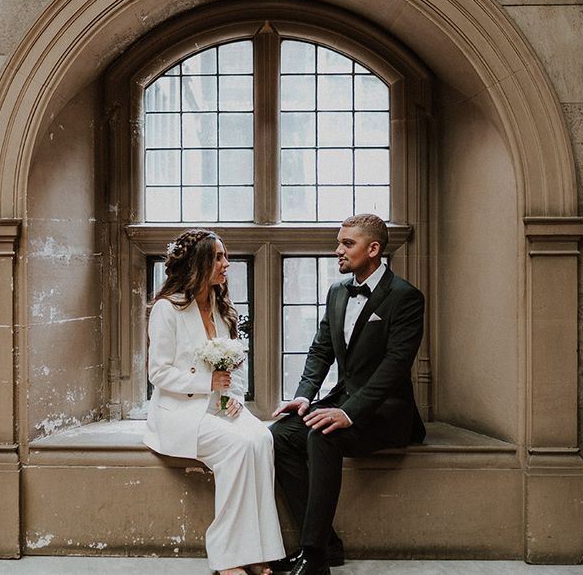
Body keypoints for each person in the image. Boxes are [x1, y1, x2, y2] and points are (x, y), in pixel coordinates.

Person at [269, 214, 426, 575]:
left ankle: (313, 556)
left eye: (347, 244)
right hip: (343, 400)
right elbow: (321, 349)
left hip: (387, 412)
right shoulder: (337, 291)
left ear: (373, 249)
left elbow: (394, 367)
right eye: (339, 242)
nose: (338, 250)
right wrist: (305, 395)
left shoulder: (405, 297)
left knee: (323, 438)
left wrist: (349, 413)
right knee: (279, 436)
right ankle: (329, 544)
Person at [144, 228, 285, 575]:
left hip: (219, 406)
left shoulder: (222, 310)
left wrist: (232, 397)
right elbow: (158, 373)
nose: (227, 264)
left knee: (262, 439)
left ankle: (257, 550)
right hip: (179, 412)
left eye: (225, 256)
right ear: (198, 263)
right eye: (219, 257)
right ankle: (228, 558)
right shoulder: (167, 309)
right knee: (237, 449)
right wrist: (207, 384)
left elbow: (232, 367)